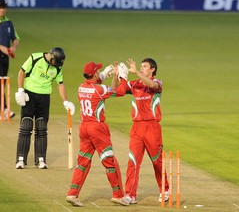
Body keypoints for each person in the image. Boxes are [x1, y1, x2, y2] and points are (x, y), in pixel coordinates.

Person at [65, 61, 130, 207]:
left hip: (84, 128)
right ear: (94, 73)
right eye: (97, 71)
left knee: (83, 163)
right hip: (98, 128)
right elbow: (119, 91)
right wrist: (123, 77)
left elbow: (99, 85)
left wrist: (108, 73)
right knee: (110, 162)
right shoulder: (99, 90)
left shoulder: (81, 87)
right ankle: (118, 195)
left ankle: (72, 193)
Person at [113, 58, 169, 204]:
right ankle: (130, 195)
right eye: (141, 66)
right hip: (137, 127)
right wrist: (117, 76)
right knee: (133, 161)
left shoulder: (158, 83)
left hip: (152, 127)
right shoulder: (134, 85)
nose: (142, 68)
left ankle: (165, 189)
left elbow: (151, 84)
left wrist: (136, 72)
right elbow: (117, 91)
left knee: (157, 161)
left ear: (152, 70)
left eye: (145, 66)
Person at [14, 47, 75, 169]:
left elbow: (60, 84)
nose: (56, 65)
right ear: (51, 56)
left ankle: (41, 160)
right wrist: (20, 90)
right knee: (26, 126)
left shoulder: (57, 67)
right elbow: (22, 72)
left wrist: (66, 102)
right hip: (29, 95)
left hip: (44, 98)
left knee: (41, 127)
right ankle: (21, 159)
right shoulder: (35, 57)